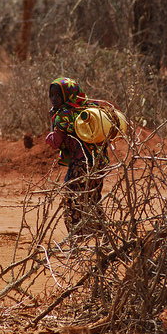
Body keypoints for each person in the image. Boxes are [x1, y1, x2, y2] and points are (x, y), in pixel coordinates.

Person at [45, 77, 109, 235]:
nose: (54, 99)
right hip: (99, 164)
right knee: (92, 200)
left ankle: (76, 243)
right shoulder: (89, 107)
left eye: (57, 95)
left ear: (66, 95)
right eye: (51, 95)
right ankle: (103, 238)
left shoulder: (64, 114)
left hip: (80, 165)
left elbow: (55, 142)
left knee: (71, 203)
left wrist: (52, 126)